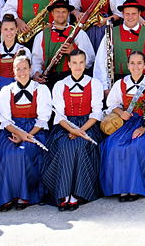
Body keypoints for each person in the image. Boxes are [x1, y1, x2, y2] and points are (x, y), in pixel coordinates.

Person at [0, 52, 51, 211]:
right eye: (18, 69)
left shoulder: (41, 90)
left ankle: (24, 194)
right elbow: (4, 119)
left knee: (23, 152)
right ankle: (7, 195)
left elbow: (43, 118)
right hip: (11, 129)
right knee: (8, 153)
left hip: (35, 130)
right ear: (13, 71)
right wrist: (19, 134)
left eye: (24, 68)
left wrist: (26, 136)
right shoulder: (7, 90)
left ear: (30, 69)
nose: (22, 72)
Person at [43, 48, 104, 210]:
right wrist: (72, 129)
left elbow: (96, 113)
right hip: (65, 125)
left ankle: (78, 193)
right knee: (64, 146)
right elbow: (59, 115)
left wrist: (80, 130)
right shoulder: (60, 85)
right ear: (68, 64)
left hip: (87, 124)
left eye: (81, 63)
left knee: (80, 146)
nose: (78, 66)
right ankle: (64, 194)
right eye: (74, 63)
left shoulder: (94, 84)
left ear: (85, 64)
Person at [101, 51, 145, 201]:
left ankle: (135, 188)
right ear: (128, 66)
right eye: (133, 63)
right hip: (126, 122)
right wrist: (120, 112)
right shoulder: (121, 83)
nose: (136, 66)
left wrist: (144, 127)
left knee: (136, 145)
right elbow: (112, 104)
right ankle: (121, 188)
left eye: (139, 63)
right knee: (113, 145)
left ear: (144, 65)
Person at [93, 0, 145, 96]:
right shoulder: (111, 33)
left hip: (142, 85)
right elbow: (101, 62)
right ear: (123, 14)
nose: (130, 17)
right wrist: (105, 88)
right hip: (117, 85)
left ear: (139, 14)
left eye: (133, 14)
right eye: (127, 14)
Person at [31, 0, 96, 89]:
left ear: (68, 13)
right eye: (57, 12)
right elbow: (36, 60)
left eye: (64, 12)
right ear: (52, 13)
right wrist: (36, 73)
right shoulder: (41, 35)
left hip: (72, 80)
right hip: (48, 81)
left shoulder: (78, 33)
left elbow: (90, 59)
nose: (60, 15)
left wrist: (73, 52)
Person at [0, 14, 31, 91]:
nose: (9, 32)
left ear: (17, 29)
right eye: (5, 29)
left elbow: (28, 75)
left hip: (18, 91)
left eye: (12, 29)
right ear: (1, 30)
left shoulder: (25, 51)